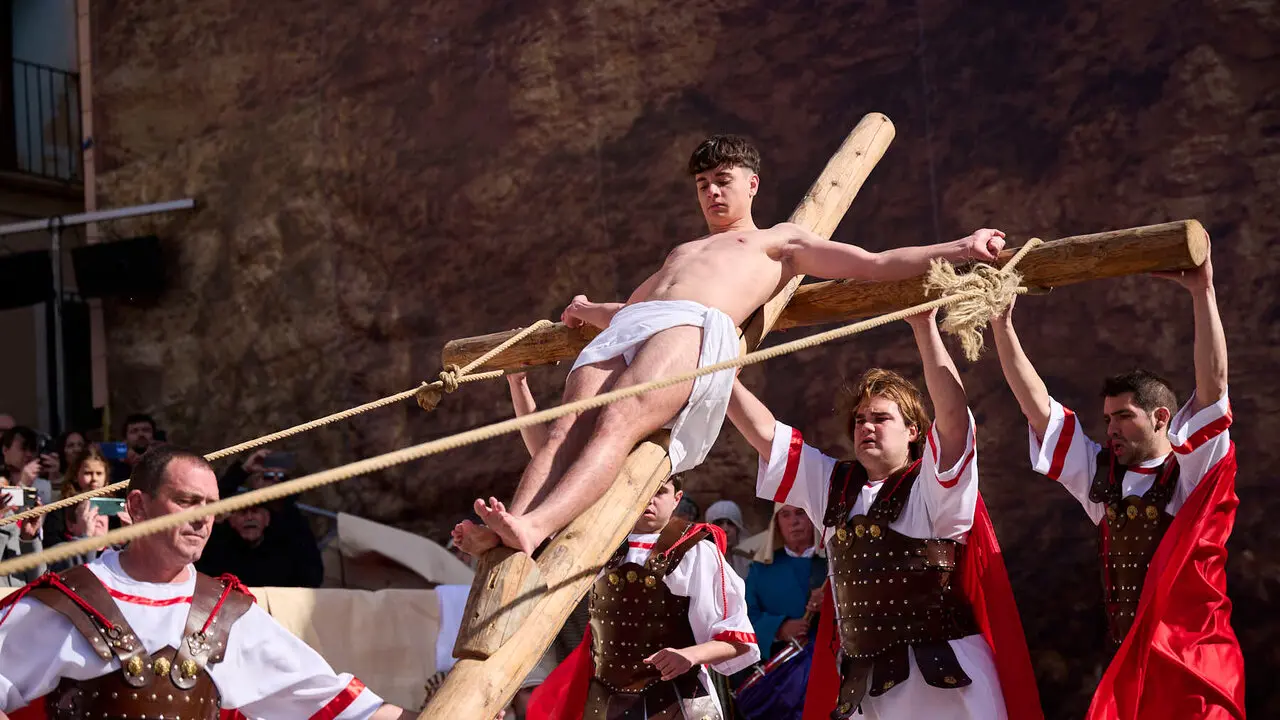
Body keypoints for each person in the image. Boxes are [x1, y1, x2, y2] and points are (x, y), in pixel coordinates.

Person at [455, 134, 1008, 557]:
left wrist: (963, 246)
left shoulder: (780, 240)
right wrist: (587, 310)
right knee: (563, 428)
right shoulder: (682, 249)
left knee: (617, 421)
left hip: (691, 327)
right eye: (702, 185)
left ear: (752, 184)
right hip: (634, 325)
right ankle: (508, 528)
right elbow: (633, 307)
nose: (712, 192)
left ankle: (535, 527)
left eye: (723, 180)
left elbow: (874, 263)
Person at [726, 309, 1040, 719]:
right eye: (860, 420)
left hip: (947, 682)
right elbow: (768, 437)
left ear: (913, 431)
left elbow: (954, 420)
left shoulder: (935, 486)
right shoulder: (833, 487)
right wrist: (722, 379)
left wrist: (925, 326)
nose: (866, 427)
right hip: (865, 687)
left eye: (880, 418)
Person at [988, 238, 1244, 719]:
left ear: (1162, 418)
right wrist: (1002, 323)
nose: (1110, 429)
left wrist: (1203, 292)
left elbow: (1213, 390)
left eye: (1124, 417)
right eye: (1107, 419)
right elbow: (1038, 409)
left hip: (1196, 664)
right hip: (1133, 668)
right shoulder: (1103, 483)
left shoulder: (1193, 473)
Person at [0, 446, 415, 718]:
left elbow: (343, 707)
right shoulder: (65, 601)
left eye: (211, 506)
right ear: (138, 507)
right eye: (186, 501)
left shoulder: (228, 614)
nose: (202, 518)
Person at [494, 372, 760, 719]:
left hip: (677, 702)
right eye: (642, 488)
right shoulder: (601, 538)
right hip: (606, 704)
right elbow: (550, 464)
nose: (649, 499)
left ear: (677, 497)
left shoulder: (695, 549)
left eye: (660, 491)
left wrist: (690, 656)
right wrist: (518, 385)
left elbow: (738, 638)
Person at [744, 504, 825, 657]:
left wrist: (831, 605)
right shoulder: (761, 569)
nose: (794, 522)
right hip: (780, 663)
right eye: (785, 515)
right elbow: (745, 617)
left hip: (828, 658)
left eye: (800, 513)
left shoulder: (833, 563)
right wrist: (779, 629)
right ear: (777, 523)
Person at [42, 445, 132, 570]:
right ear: (76, 475)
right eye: (88, 473)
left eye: (99, 473)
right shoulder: (60, 509)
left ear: (106, 477)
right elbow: (51, 555)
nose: (94, 479)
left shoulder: (115, 511)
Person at [704, 499, 752, 578]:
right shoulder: (703, 561)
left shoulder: (750, 562)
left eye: (730, 523)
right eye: (719, 523)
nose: (725, 529)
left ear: (738, 528)